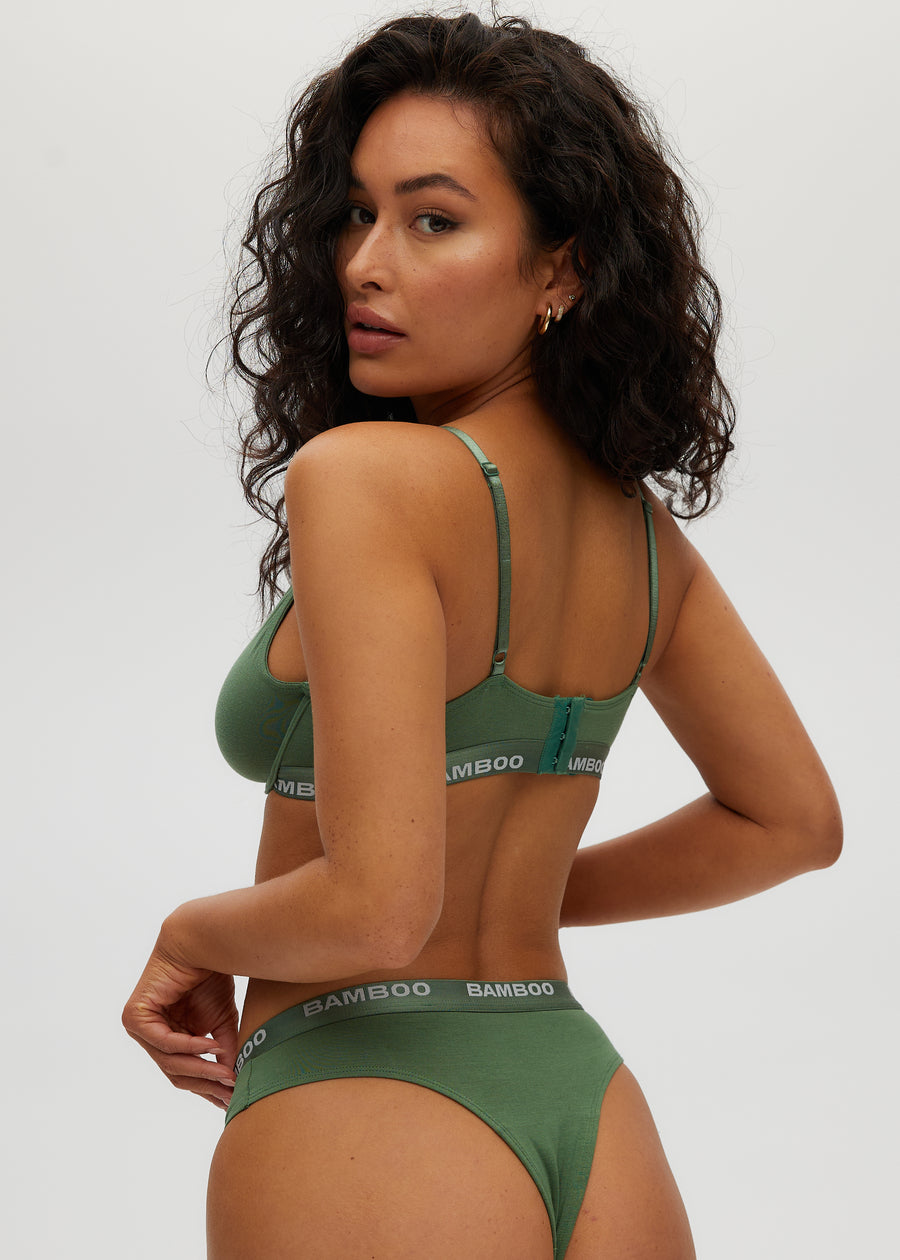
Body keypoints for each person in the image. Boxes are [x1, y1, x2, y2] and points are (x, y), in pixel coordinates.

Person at [122, 12, 842, 1257]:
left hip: (370, 1095)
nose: (365, 263)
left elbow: (375, 911)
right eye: (357, 213)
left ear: (562, 271)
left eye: (433, 220)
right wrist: (521, 894)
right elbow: (792, 824)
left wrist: (189, 935)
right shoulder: (644, 543)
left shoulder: (364, 479)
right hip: (584, 1100)